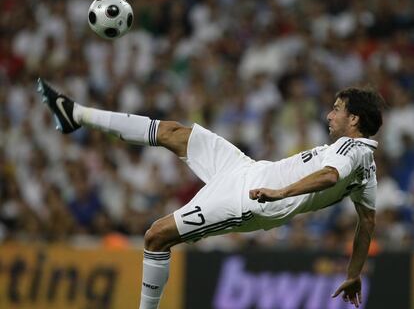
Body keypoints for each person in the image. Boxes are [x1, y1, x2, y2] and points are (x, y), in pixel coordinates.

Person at [37, 78, 384, 309]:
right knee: (175, 132)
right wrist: (354, 273)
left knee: (156, 236)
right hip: (247, 168)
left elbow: (326, 176)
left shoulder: (353, 151)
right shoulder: (364, 166)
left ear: (353, 119)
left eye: (337, 108)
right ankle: (76, 114)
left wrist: (280, 193)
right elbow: (366, 222)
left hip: (250, 198)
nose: (329, 114)